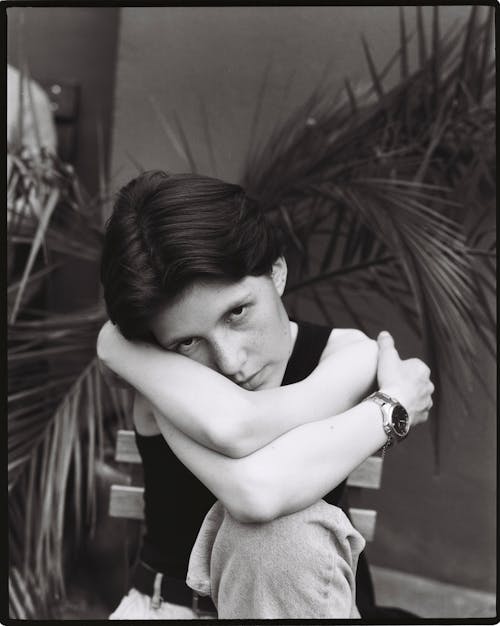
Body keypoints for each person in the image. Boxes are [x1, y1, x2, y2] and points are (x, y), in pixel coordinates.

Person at [97, 170, 433, 619]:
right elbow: (254, 485)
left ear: (276, 271)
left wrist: (113, 346)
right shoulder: (160, 370)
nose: (231, 361)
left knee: (283, 540)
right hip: (172, 609)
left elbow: (253, 463)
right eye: (188, 341)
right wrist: (393, 408)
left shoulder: (347, 353)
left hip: (308, 600)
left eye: (237, 311)